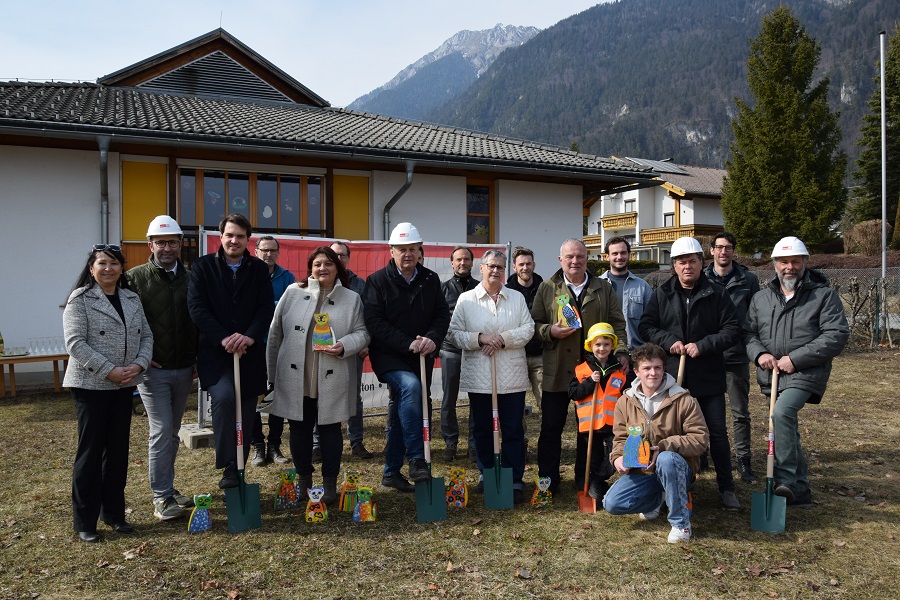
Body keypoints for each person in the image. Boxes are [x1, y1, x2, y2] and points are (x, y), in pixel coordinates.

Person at [638, 236, 742, 511]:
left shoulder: (717, 294)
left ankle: (726, 487)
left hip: (708, 375)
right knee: (669, 432)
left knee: (716, 432)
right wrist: (668, 341)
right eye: (681, 262)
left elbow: (732, 330)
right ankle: (667, 485)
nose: (687, 266)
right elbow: (646, 327)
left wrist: (704, 345)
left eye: (692, 261)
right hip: (672, 379)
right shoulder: (662, 294)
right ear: (673, 265)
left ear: (701, 263)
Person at [746, 236, 849, 507]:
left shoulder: (822, 296)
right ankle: (801, 491)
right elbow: (748, 333)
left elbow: (836, 334)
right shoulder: (761, 298)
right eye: (784, 261)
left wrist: (796, 359)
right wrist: (760, 354)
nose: (789, 266)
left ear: (804, 263)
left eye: (795, 261)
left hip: (805, 372)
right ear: (775, 265)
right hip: (772, 374)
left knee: (782, 413)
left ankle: (785, 481)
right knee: (786, 424)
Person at [63, 244, 153, 542]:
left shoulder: (131, 298)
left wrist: (138, 365)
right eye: (102, 263)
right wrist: (109, 370)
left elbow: (147, 336)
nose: (108, 269)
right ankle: (85, 521)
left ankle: (114, 514)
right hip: (91, 385)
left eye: (114, 263)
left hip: (124, 384)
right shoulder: (81, 299)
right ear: (92, 268)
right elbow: (75, 343)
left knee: (117, 453)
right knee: (90, 453)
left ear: (121, 268)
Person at [267, 246, 370, 505]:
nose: (322, 268)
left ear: (338, 267)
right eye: (317, 264)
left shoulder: (351, 298)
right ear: (310, 268)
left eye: (328, 263)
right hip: (296, 375)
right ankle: (304, 480)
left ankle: (329, 483)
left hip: (332, 375)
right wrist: (271, 375)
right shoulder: (292, 293)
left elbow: (363, 333)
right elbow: (275, 334)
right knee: (299, 429)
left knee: (330, 431)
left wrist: (345, 345)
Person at [532, 238, 628, 494]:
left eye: (580, 257)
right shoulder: (547, 288)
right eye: (570, 257)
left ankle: (587, 477)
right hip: (558, 368)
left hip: (593, 371)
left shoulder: (602, 288)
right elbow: (533, 324)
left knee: (591, 429)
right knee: (551, 426)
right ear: (560, 259)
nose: (575, 261)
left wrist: (621, 351)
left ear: (588, 258)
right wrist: (548, 330)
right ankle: (548, 479)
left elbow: (617, 322)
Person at [187, 214, 274, 490]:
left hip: (248, 354)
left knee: (246, 413)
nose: (234, 240)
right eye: (229, 235)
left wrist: (248, 337)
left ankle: (239, 470)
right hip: (216, 353)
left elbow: (265, 308)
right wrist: (224, 338)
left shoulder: (258, 270)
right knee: (225, 399)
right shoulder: (202, 268)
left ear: (248, 239)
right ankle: (227, 465)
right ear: (220, 236)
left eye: (240, 236)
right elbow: (197, 308)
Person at [363, 222, 450, 493]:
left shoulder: (430, 279)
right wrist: (407, 343)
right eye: (402, 249)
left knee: (406, 410)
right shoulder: (377, 281)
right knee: (411, 388)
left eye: (412, 249)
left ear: (419, 251)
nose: (407, 254)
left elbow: (441, 314)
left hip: (421, 355)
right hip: (390, 356)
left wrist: (432, 339)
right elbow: (374, 322)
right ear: (391, 251)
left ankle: (390, 472)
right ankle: (416, 460)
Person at [447, 250, 534, 504]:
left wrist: (502, 339)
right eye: (491, 266)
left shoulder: (516, 298)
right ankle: (487, 473)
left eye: (500, 267)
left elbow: (528, 329)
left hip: (512, 375)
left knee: (513, 429)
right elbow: (454, 333)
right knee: (483, 429)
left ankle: (514, 479)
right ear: (481, 268)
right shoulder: (467, 299)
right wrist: (480, 338)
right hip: (480, 375)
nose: (495, 270)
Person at [126, 216, 197, 521]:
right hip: (152, 369)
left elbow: (197, 320)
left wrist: (197, 357)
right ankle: (161, 497)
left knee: (172, 431)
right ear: (150, 244)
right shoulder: (133, 279)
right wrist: (139, 357)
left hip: (184, 368)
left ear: (180, 244)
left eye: (172, 242)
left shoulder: (192, 278)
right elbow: (126, 324)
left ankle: (167, 487)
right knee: (161, 430)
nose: (166, 248)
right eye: (161, 242)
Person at [603, 343, 709, 544]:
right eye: (647, 368)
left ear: (664, 369)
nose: (653, 373)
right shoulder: (625, 401)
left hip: (677, 468)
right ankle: (658, 498)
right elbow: (620, 439)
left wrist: (664, 446)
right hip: (642, 471)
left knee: (667, 459)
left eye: (657, 367)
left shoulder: (683, 399)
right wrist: (617, 458)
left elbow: (700, 439)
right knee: (612, 503)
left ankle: (680, 523)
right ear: (636, 371)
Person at [703, 232, 760, 483]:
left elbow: (754, 316)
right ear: (712, 251)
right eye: (719, 247)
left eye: (728, 248)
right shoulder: (702, 278)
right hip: (707, 355)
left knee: (740, 412)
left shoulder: (748, 279)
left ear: (733, 251)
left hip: (736, 355)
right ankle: (702, 453)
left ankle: (743, 459)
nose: (723, 252)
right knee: (701, 410)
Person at [567, 323, 628, 501]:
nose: (602, 348)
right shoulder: (582, 370)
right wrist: (589, 383)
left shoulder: (619, 369)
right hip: (590, 425)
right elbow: (573, 393)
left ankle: (599, 478)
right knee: (589, 458)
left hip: (612, 424)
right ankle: (587, 483)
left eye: (606, 344)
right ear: (590, 346)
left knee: (614, 455)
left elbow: (627, 393)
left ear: (613, 345)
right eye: (598, 344)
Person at [250, 235, 295, 467]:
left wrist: (272, 306)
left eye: (273, 251)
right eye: (264, 250)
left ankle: (274, 444)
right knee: (254, 397)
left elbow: (293, 306)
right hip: (254, 345)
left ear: (278, 253)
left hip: (280, 346)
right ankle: (257, 444)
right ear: (256, 250)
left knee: (278, 396)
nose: (268, 254)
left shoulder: (287, 278)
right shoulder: (248, 274)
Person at [330, 241, 374, 459]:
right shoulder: (319, 281)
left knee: (353, 397)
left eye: (342, 256)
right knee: (323, 396)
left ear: (348, 258)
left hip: (353, 349)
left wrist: (365, 343)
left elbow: (369, 316)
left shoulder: (359, 284)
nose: (338, 260)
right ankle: (320, 444)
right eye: (333, 255)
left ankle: (356, 442)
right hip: (324, 350)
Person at [439, 245, 479, 461]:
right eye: (458, 260)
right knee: (448, 398)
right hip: (450, 350)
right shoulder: (442, 289)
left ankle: (473, 443)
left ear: (472, 263)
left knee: (476, 398)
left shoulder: (480, 288)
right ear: (452, 263)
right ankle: (450, 442)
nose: (463, 263)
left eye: (466, 259)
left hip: (475, 350)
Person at [506, 246, 545, 404]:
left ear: (534, 265)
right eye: (521, 264)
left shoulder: (546, 289)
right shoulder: (506, 292)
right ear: (514, 266)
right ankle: (519, 430)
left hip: (540, 354)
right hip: (515, 354)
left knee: (545, 401)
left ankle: (546, 430)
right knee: (515, 404)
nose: (525, 268)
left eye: (528, 264)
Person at [599, 236, 653, 350]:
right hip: (604, 354)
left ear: (629, 255)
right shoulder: (596, 286)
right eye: (615, 253)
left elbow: (651, 322)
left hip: (636, 353)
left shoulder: (643, 286)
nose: (619, 257)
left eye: (623, 253)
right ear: (607, 257)